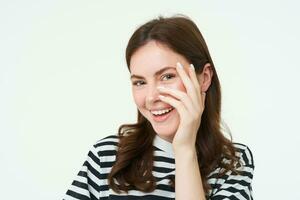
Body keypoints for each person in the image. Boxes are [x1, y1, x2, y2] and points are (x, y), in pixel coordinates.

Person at [63, 14, 254, 200]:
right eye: (139, 82)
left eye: (167, 76)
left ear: (204, 78)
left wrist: (185, 149)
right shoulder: (107, 156)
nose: (151, 97)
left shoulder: (232, 163)